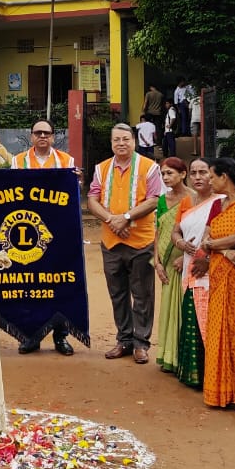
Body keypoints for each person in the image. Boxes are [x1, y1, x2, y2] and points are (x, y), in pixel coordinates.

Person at [88, 123, 162, 363]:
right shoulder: (101, 168)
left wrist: (127, 217)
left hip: (141, 242)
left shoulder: (149, 167)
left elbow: (154, 200)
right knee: (117, 294)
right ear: (111, 143)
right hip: (111, 242)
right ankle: (124, 340)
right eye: (116, 140)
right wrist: (112, 220)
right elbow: (92, 199)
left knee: (142, 294)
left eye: (125, 139)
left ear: (134, 141)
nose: (121, 143)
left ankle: (141, 343)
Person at [11, 119, 79, 355]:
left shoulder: (66, 161)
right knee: (30, 284)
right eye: (38, 132)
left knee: (58, 284)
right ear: (31, 136)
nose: (42, 136)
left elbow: (72, 195)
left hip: (58, 231)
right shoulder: (18, 161)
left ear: (53, 136)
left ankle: (61, 337)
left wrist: (75, 181)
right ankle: (32, 336)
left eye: (46, 133)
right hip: (28, 232)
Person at [200, 156, 235, 408]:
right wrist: (224, 250)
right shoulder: (216, 205)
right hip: (220, 272)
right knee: (218, 330)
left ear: (224, 177)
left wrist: (215, 245)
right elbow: (205, 240)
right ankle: (221, 390)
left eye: (212, 176)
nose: (209, 181)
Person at [172, 157, 218, 389]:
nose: (198, 177)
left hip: (212, 272)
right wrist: (180, 243)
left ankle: (212, 376)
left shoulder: (221, 202)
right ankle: (193, 374)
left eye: (203, 172)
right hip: (190, 269)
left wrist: (207, 260)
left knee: (210, 323)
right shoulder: (187, 202)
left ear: (213, 175)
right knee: (191, 319)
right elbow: (176, 231)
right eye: (194, 173)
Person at [152, 157, 194, 373]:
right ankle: (169, 356)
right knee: (168, 308)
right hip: (166, 263)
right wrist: (157, 262)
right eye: (163, 174)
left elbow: (197, 232)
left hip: (186, 263)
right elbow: (158, 231)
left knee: (184, 309)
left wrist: (185, 258)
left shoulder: (194, 198)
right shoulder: (162, 200)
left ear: (183, 174)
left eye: (170, 173)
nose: (166, 177)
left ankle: (183, 358)